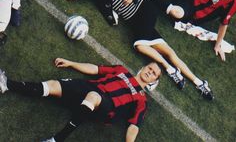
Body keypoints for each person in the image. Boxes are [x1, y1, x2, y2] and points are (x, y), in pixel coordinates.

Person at [50, 0, 213, 99]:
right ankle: (199, 83)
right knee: (170, 52)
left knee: (139, 45)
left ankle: (169, 69)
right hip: (135, 23)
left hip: (143, 8)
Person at [0, 59, 161, 141]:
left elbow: (134, 126)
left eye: (154, 73)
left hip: (106, 107)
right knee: (53, 85)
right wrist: (71, 63)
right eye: (150, 68)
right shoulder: (121, 70)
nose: (150, 72)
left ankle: (57, 139)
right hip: (90, 88)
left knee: (94, 96)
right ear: (144, 67)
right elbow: (96, 69)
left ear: (153, 81)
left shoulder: (142, 100)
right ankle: (7, 84)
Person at [126, 0, 236, 62]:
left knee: (177, 13)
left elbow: (224, 24)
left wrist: (218, 44)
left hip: (191, 14)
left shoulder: (232, 1)